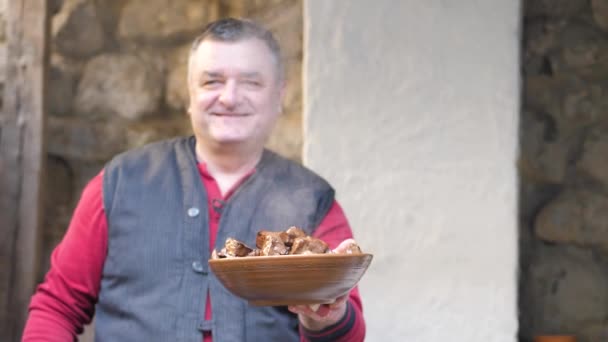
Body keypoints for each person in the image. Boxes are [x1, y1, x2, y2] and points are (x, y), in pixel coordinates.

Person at [23, 18, 365, 342]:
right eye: (212, 81)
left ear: (279, 96)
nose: (229, 98)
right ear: (190, 94)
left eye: (251, 82)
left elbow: (348, 333)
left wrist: (326, 316)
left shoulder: (313, 201)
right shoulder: (118, 184)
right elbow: (58, 307)